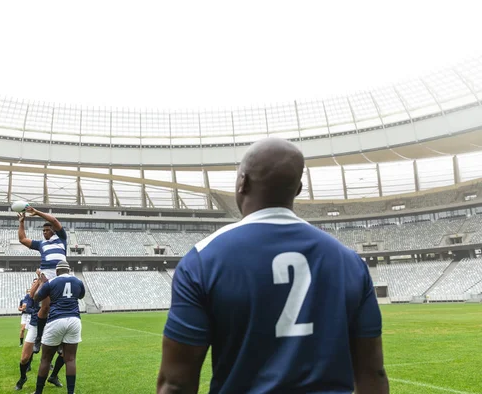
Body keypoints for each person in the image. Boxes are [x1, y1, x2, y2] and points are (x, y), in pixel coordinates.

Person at [157, 137, 389, 394]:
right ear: (298, 189)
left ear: (242, 182)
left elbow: (176, 383)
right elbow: (372, 373)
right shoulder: (349, 262)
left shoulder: (203, 259)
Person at [18, 206, 67, 353]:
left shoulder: (62, 239)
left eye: (47, 230)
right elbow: (22, 239)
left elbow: (54, 220)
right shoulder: (41, 244)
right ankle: (39, 338)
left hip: (60, 275)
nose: (44, 232)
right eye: (43, 231)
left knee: (58, 309)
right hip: (46, 276)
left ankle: (58, 341)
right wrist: (21, 222)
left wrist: (37, 212)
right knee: (45, 308)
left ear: (53, 230)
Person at [32, 260, 85, 394]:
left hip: (56, 319)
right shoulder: (78, 281)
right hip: (74, 319)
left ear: (57, 271)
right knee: (71, 359)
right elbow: (81, 295)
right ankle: (71, 392)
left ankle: (38, 392)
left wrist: (43, 283)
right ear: (69, 270)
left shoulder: (52, 282)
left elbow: (36, 298)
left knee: (45, 359)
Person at [15, 276, 65, 391]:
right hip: (35, 325)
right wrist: (38, 281)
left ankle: (53, 376)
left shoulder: (52, 289)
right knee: (24, 358)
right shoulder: (32, 294)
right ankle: (23, 378)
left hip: (52, 324)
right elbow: (30, 299)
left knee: (64, 353)